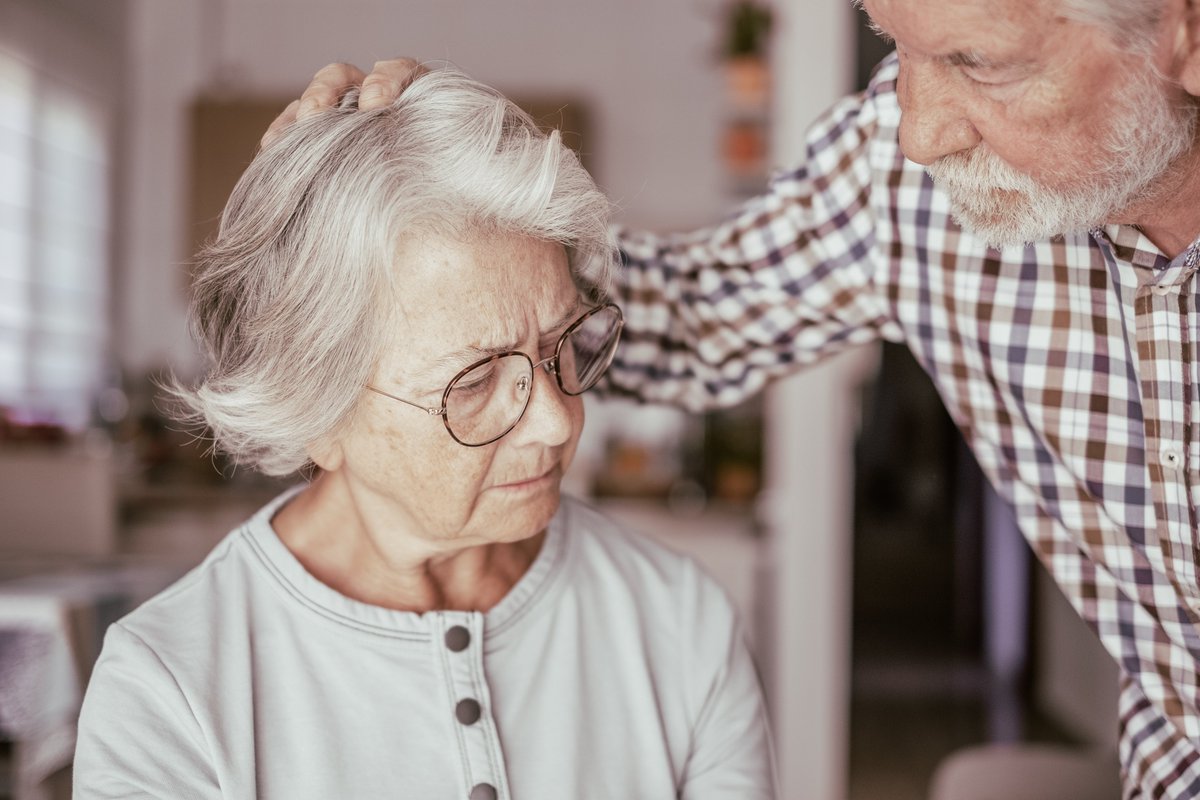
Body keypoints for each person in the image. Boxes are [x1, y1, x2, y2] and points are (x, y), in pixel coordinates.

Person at [278, 0, 1200, 796]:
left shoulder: (674, 626)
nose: (920, 129)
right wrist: (473, 215)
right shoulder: (902, 174)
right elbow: (693, 313)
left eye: (977, 62)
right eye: (893, 43)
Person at [73, 67, 776, 799]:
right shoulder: (168, 694)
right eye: (472, 383)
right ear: (317, 412)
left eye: (562, 341)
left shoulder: (680, 622)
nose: (558, 419)